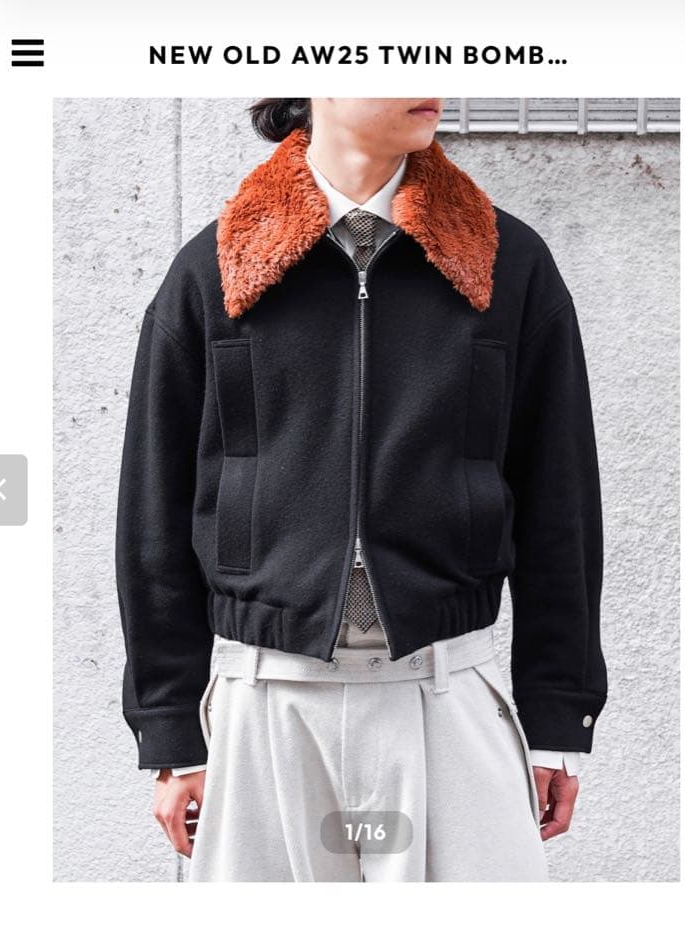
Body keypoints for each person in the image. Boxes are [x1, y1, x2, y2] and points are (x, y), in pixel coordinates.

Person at [115, 97, 607, 882]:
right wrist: (170, 730)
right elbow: (155, 508)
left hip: (447, 693)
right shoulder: (215, 269)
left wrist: (558, 717)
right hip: (265, 702)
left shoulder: (507, 262)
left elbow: (560, 500)